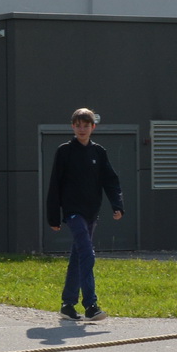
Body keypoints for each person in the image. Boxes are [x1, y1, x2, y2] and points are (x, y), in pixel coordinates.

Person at [45, 107, 123, 322]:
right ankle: (91, 305)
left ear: (92, 127)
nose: (82, 129)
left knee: (78, 258)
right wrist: (53, 216)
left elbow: (110, 180)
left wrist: (117, 205)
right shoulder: (64, 151)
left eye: (86, 125)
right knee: (87, 254)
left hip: (91, 213)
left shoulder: (99, 152)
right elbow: (55, 185)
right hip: (73, 213)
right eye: (78, 125)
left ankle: (67, 305)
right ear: (72, 126)